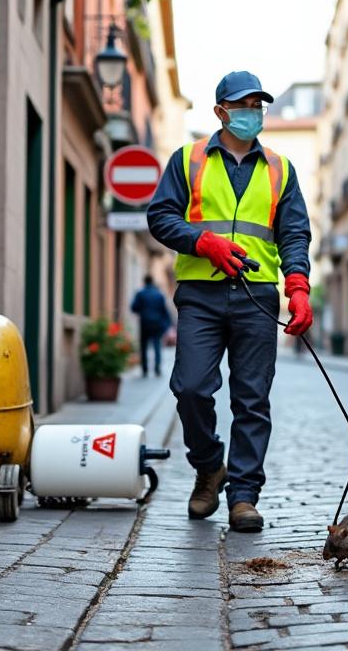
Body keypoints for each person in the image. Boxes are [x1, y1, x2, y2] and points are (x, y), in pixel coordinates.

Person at [146, 71, 314, 533]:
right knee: (192, 388)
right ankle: (208, 466)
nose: (252, 113)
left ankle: (243, 496)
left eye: (258, 105)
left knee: (252, 398)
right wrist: (203, 242)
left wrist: (298, 286)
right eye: (243, 106)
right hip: (201, 293)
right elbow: (159, 216)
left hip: (257, 296)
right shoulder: (189, 160)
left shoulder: (280, 168)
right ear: (220, 111)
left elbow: (294, 232)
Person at [130, 275, 172, 377]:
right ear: (152, 282)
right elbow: (164, 310)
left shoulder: (140, 293)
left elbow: (133, 308)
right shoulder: (159, 294)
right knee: (157, 345)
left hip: (145, 323)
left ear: (144, 282)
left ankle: (145, 369)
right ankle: (157, 368)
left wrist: (142, 310)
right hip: (157, 324)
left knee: (143, 346)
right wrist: (167, 324)